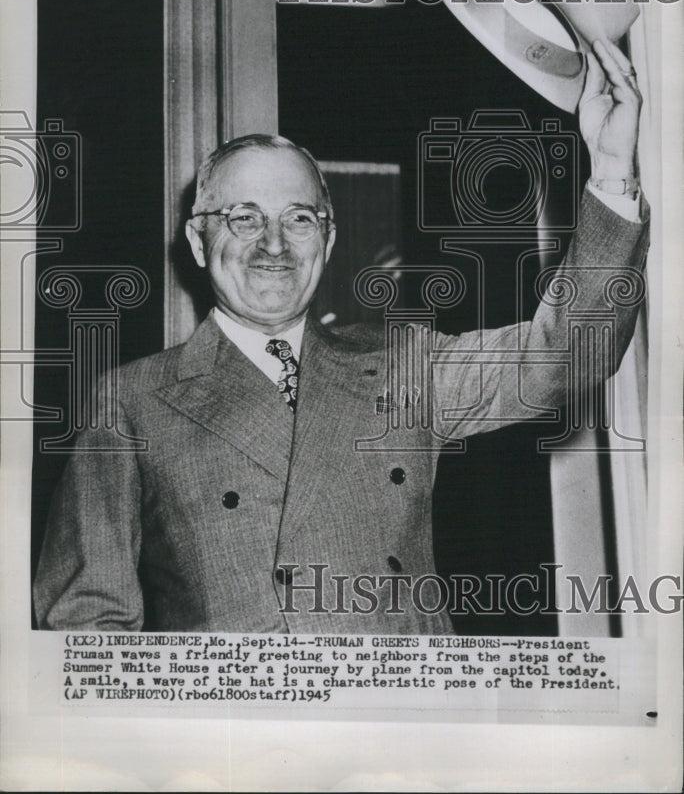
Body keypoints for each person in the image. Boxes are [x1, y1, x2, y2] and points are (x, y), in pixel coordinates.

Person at [34, 39, 649, 634]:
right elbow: (86, 625)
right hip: (236, 730)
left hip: (405, 718)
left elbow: (563, 355)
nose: (272, 245)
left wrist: (614, 172)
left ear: (326, 242)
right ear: (198, 240)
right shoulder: (131, 401)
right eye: (243, 218)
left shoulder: (404, 364)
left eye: (298, 219)